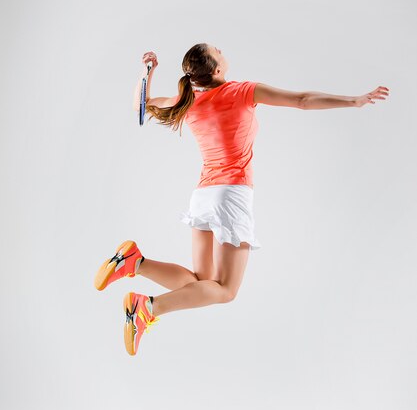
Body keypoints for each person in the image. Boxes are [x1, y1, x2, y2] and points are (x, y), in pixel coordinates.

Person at [94, 42, 389, 356]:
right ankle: (148, 307)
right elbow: (302, 100)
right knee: (226, 291)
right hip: (231, 195)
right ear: (217, 69)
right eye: (217, 50)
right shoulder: (242, 91)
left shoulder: (187, 99)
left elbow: (143, 106)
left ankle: (135, 262)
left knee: (202, 282)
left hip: (203, 195)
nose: (221, 49)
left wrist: (147, 72)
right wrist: (354, 101)